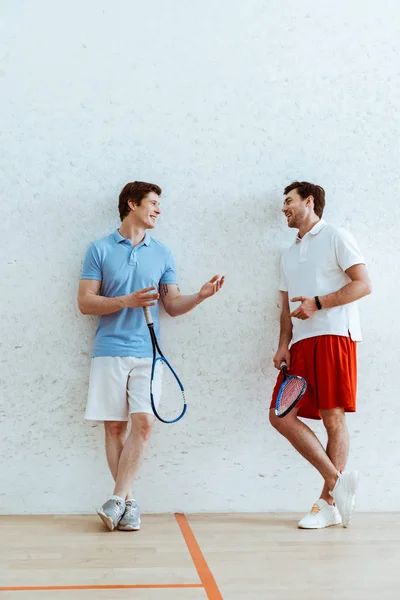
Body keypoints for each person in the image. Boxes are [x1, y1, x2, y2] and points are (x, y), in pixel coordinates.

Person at [78, 181, 224, 532]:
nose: (158, 210)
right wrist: (125, 301)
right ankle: (127, 504)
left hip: (149, 353)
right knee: (115, 427)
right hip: (109, 350)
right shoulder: (98, 249)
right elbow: (85, 302)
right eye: (153, 203)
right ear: (132, 204)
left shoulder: (162, 252)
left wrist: (200, 296)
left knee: (144, 424)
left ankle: (117, 499)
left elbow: (171, 305)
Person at [269, 181, 371, 529]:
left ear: (308, 202)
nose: (284, 208)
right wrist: (283, 343)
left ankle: (328, 504)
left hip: (333, 337)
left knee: (333, 419)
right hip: (301, 344)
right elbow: (285, 309)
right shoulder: (286, 254)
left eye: (289, 201)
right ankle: (338, 482)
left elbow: (363, 284)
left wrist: (319, 303)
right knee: (280, 416)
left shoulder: (336, 236)